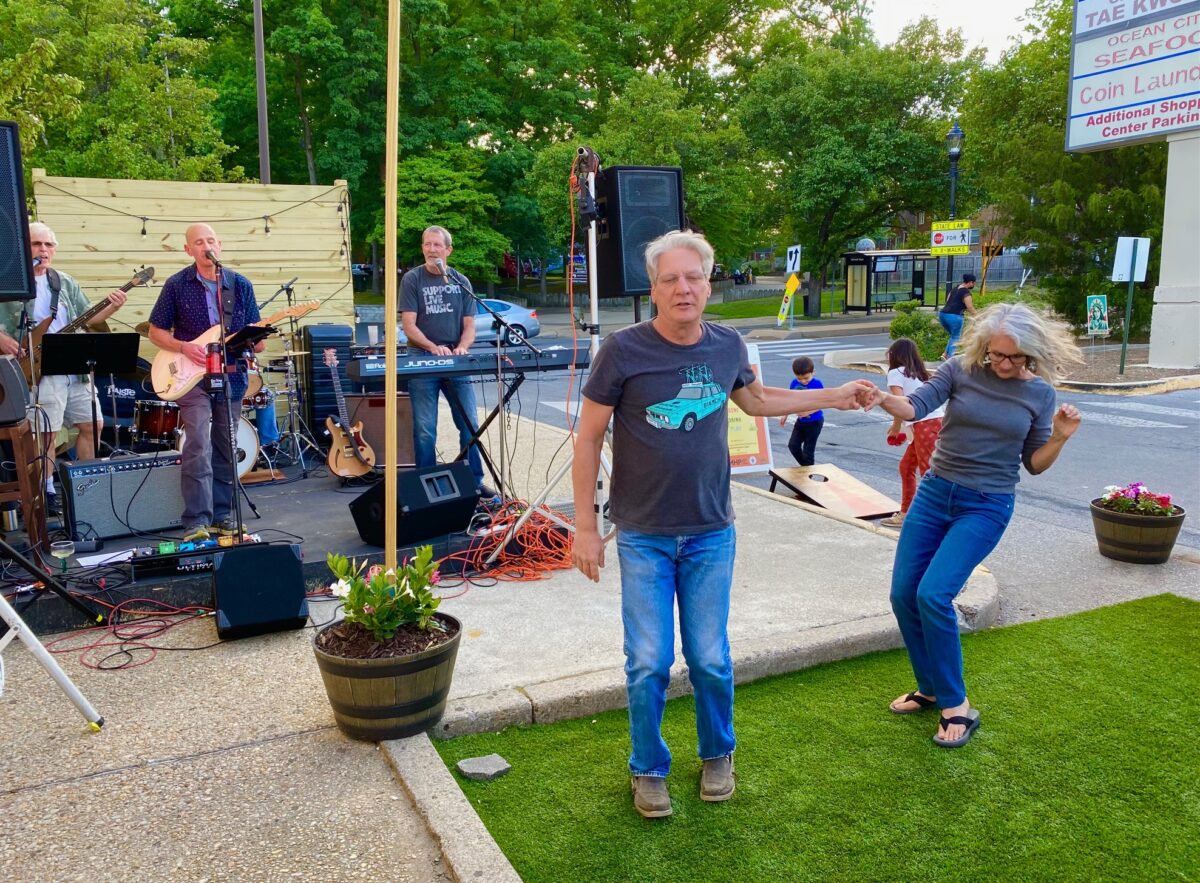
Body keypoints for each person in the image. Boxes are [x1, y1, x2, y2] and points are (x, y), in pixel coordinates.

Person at [571, 230, 873, 818]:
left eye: (693, 278)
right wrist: (585, 526)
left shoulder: (727, 344)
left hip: (711, 530)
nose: (683, 289)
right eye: (670, 279)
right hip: (643, 534)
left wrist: (833, 396)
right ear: (653, 289)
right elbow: (587, 439)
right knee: (648, 662)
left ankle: (717, 754)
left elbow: (756, 402)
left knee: (709, 657)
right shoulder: (623, 351)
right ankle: (648, 767)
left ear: (709, 284)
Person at [863, 303, 1083, 748]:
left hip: (986, 505)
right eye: (997, 355)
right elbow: (915, 404)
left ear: (1033, 354)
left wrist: (1059, 436)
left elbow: (1035, 464)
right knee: (903, 593)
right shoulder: (960, 370)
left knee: (934, 593)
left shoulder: (1039, 394)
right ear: (984, 346)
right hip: (934, 494)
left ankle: (957, 705)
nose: (1004, 364)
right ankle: (930, 688)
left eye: (1016, 357)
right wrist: (883, 397)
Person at [0, 222, 128, 515]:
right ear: (23, 248)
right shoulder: (10, 282)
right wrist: (3, 339)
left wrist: (114, 306)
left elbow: (90, 320)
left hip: (76, 365)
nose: (43, 250)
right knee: (46, 432)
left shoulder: (65, 282)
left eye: (48, 245)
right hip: (39, 367)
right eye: (36, 244)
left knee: (92, 424)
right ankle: (46, 495)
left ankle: (87, 487)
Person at [148, 223, 264, 541]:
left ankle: (224, 515)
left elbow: (258, 341)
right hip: (192, 376)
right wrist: (184, 347)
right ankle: (196, 519)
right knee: (198, 443)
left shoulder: (239, 285)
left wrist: (255, 337)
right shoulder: (176, 285)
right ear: (189, 250)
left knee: (227, 444)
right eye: (199, 242)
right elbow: (155, 331)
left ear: (220, 245)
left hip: (231, 373)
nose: (206, 245)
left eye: (211, 240)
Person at [400, 226, 493, 498]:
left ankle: (474, 482)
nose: (431, 249)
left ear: (448, 250)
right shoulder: (412, 279)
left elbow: (470, 326)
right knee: (425, 429)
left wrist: (462, 348)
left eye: (436, 245)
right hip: (422, 357)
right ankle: (425, 487)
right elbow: (408, 325)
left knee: (470, 425)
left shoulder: (460, 281)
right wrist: (432, 347)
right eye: (427, 244)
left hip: (455, 359)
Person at [879, 339, 945, 530]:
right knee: (907, 467)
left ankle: (931, 519)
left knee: (927, 472)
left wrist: (896, 427)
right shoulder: (920, 373)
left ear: (894, 355)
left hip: (924, 424)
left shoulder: (895, 373)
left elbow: (900, 403)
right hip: (934, 422)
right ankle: (907, 512)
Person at [778, 355, 824, 466]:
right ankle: (806, 468)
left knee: (808, 451)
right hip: (801, 422)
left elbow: (823, 402)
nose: (803, 381)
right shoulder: (794, 383)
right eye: (799, 379)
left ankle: (808, 473)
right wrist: (785, 415)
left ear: (813, 372)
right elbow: (790, 400)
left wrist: (808, 412)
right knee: (793, 445)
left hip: (815, 422)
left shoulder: (817, 384)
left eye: (806, 378)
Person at [938, 273, 977, 359]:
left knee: (953, 335)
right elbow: (969, 307)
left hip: (942, 314)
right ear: (970, 282)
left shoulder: (954, 289)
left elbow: (948, 301)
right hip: (954, 317)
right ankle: (951, 359)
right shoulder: (966, 292)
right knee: (956, 337)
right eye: (974, 283)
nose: (974, 285)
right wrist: (979, 316)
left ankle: (945, 354)